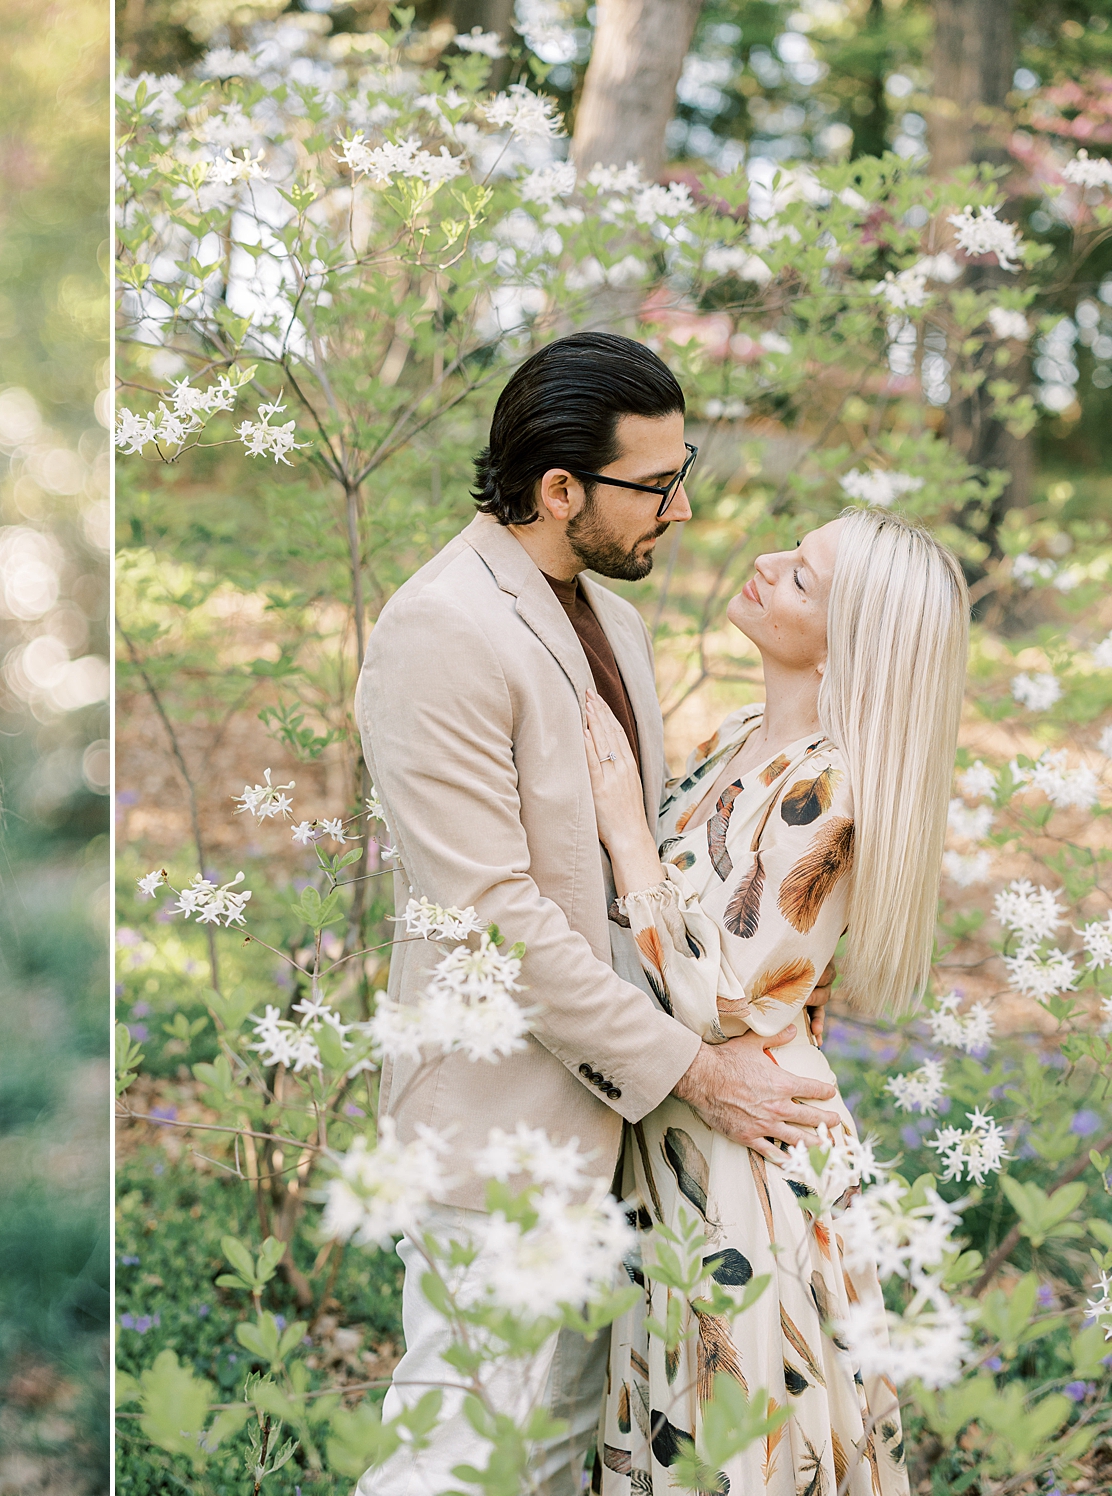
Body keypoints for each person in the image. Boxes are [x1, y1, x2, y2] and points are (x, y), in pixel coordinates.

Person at [353, 331, 851, 1494]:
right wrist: (693, 1066)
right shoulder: (441, 630)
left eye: (686, 472)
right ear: (557, 488)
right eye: (655, 483)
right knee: (459, 1461)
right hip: (504, 1133)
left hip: (619, 1145)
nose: (679, 510)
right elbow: (494, 914)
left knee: (554, 1456)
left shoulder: (609, 620)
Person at [584, 507, 963, 1494]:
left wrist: (627, 829)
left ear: (851, 643)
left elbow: (718, 992)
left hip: (739, 1156)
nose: (761, 565)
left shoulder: (827, 786)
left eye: (798, 577)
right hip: (684, 1119)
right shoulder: (740, 737)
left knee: (723, 1439)